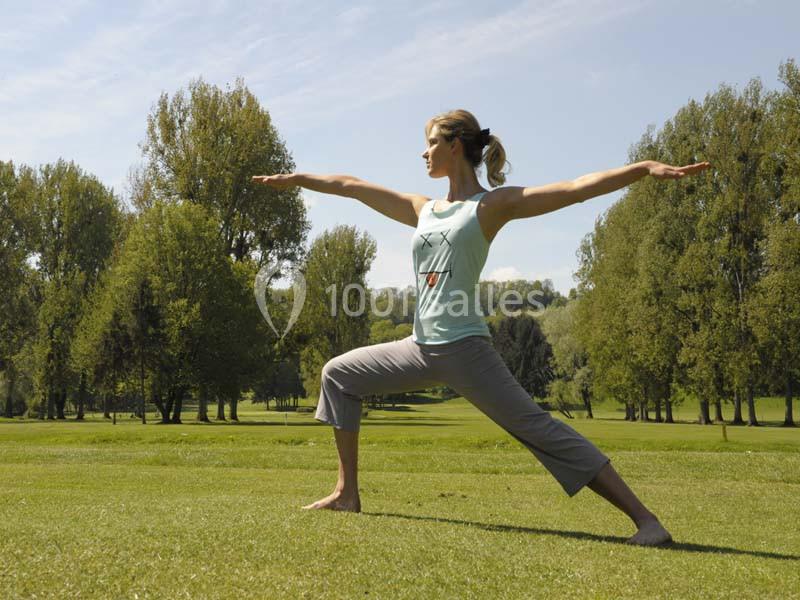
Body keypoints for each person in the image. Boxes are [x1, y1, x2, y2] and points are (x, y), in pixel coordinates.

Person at [252, 109, 710, 546]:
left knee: (539, 429)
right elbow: (351, 186)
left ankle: (647, 521)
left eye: (431, 143)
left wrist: (643, 168)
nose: (424, 152)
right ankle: (346, 493)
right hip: (419, 347)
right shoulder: (423, 208)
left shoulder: (490, 206)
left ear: (455, 146)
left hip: (466, 351)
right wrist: (298, 179)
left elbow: (575, 189)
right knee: (338, 375)